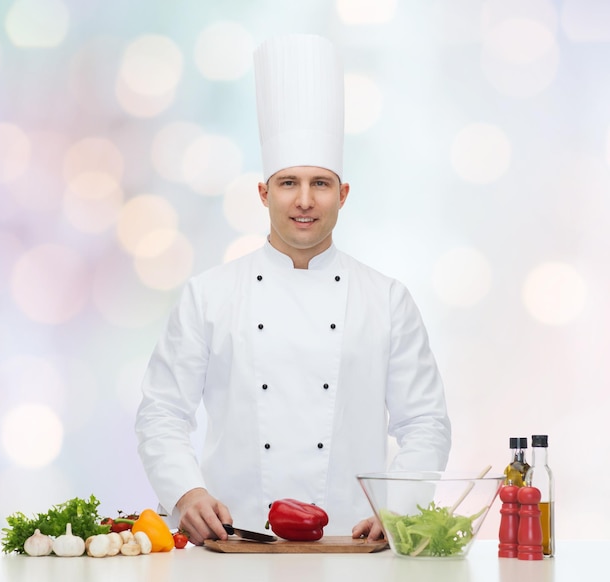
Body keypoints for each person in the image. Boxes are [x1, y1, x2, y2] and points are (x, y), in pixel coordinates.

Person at [135, 33, 451, 546]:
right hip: (234, 543)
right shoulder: (209, 296)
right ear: (263, 192)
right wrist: (186, 493)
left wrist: (400, 509)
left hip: (353, 547)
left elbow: (425, 423)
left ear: (343, 194)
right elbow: (162, 412)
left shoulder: (387, 299)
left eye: (320, 184)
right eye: (288, 183)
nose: (304, 201)